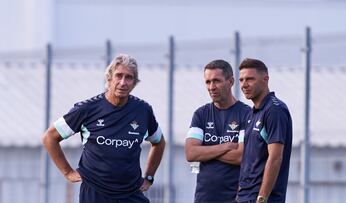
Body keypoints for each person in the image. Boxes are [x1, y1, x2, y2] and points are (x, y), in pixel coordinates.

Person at [42, 54, 166, 203]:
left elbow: (159, 142)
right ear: (109, 79)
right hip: (95, 192)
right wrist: (68, 172)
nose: (123, 82)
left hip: (130, 192)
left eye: (129, 77)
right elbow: (50, 137)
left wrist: (149, 176)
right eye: (118, 76)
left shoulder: (143, 110)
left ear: (134, 83)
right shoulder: (87, 109)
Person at [185, 59, 251, 203]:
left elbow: (240, 156)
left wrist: (204, 152)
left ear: (231, 81)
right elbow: (191, 153)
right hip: (204, 198)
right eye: (208, 82)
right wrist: (225, 146)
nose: (212, 87)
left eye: (217, 81)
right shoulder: (201, 114)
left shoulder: (247, 114)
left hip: (235, 198)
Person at [236, 58, 292, 203]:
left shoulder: (274, 110)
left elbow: (275, 158)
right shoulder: (252, 113)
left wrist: (262, 197)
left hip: (262, 198)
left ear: (265, 79)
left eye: (250, 79)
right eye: (241, 80)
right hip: (245, 197)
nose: (244, 85)